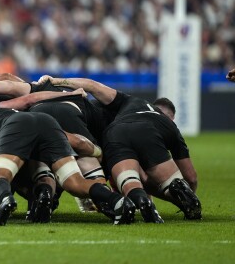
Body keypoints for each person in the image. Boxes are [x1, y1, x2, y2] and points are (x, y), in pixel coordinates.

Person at [0, 107, 133, 226]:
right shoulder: (33, 114)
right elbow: (78, 142)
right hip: (49, 124)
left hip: (17, 128)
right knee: (75, 183)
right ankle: (117, 202)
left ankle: (5, 199)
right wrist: (97, 152)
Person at [37, 75, 201, 222]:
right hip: (114, 132)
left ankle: (141, 200)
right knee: (167, 181)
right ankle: (173, 187)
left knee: (129, 180)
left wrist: (57, 80)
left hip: (115, 131)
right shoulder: (168, 125)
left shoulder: (129, 101)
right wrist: (184, 195)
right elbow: (191, 177)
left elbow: (92, 85)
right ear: (170, 118)